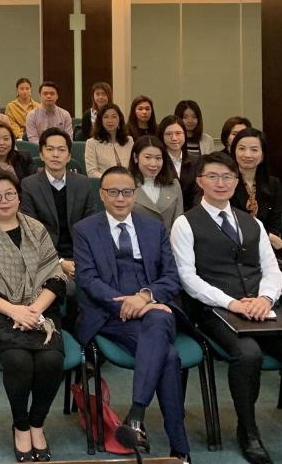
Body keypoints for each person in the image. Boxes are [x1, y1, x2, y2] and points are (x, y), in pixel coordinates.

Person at [171, 152, 282, 464]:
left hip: (261, 307)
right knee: (248, 354)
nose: (221, 183)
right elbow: (188, 278)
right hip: (215, 310)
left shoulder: (253, 222)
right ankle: (248, 431)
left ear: (236, 182)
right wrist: (231, 303)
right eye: (213, 177)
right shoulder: (185, 223)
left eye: (227, 177)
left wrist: (265, 299)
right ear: (200, 181)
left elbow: (272, 270)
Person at [73, 167, 191, 463]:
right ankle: (178, 446)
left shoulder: (153, 227)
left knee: (160, 319)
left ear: (134, 194)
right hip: (109, 314)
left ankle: (137, 415)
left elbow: (171, 277)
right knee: (169, 357)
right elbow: (87, 280)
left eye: (126, 192)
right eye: (113, 192)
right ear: (102, 195)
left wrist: (145, 298)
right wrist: (127, 304)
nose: (120, 198)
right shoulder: (85, 229)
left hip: (152, 308)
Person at [0, 170, 67, 462]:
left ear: (19, 197)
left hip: (39, 311)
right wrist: (13, 309)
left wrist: (34, 309)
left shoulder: (36, 229)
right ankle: (21, 426)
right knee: (18, 361)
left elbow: (56, 279)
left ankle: (37, 423)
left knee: (51, 360)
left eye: (9, 194)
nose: (4, 200)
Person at [19, 128, 98, 277]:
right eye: (50, 149)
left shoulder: (83, 183)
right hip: (45, 258)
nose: (55, 154)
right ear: (41, 154)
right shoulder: (29, 185)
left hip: (80, 254)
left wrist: (81, 259)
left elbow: (91, 225)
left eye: (61, 150)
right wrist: (59, 261)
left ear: (69, 156)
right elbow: (31, 233)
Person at [229, 128, 282, 254]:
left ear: (262, 155)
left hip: (265, 249)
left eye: (254, 150)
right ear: (234, 152)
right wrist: (267, 236)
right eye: (242, 149)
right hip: (233, 247)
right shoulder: (225, 182)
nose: (247, 155)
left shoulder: (273, 184)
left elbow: (275, 224)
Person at [128, 135, 183, 230]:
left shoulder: (173, 185)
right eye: (147, 157)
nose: (153, 164)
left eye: (158, 158)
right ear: (135, 157)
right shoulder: (125, 185)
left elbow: (178, 221)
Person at [84, 104, 132, 179]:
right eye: (106, 117)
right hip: (104, 182)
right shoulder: (91, 143)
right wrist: (110, 180)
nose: (110, 120)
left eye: (114, 117)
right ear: (100, 120)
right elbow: (91, 172)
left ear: (120, 119)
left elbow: (134, 167)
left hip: (128, 182)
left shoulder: (129, 140)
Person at [158, 115, 196, 210]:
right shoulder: (158, 162)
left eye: (178, 133)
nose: (174, 138)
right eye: (168, 134)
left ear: (185, 134)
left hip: (192, 212)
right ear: (162, 136)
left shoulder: (196, 161)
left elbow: (198, 193)